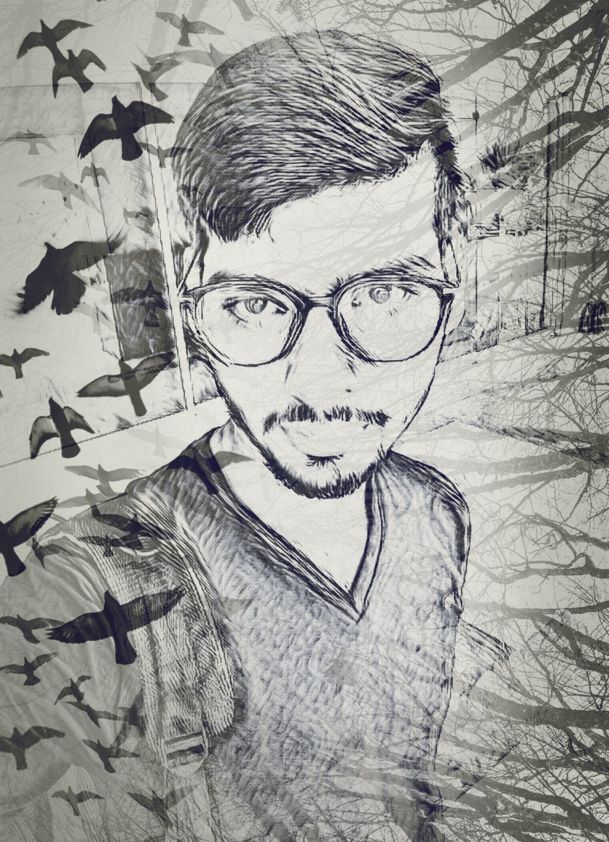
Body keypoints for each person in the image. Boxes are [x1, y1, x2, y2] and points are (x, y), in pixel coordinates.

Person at [0, 29, 509, 842]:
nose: (322, 379)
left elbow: (406, 789)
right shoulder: (101, 584)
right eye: (256, 304)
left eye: (385, 292)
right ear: (193, 299)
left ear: (453, 274)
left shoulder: (433, 512)